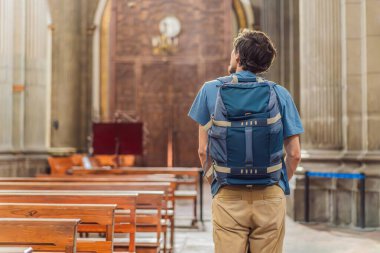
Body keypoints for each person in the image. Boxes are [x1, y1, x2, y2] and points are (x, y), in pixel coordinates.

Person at [188, 30, 304, 253]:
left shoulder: (210, 90)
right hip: (270, 195)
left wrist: (215, 182)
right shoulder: (280, 94)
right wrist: (279, 184)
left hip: (228, 193)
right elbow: (295, 153)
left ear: (238, 56)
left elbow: (203, 151)